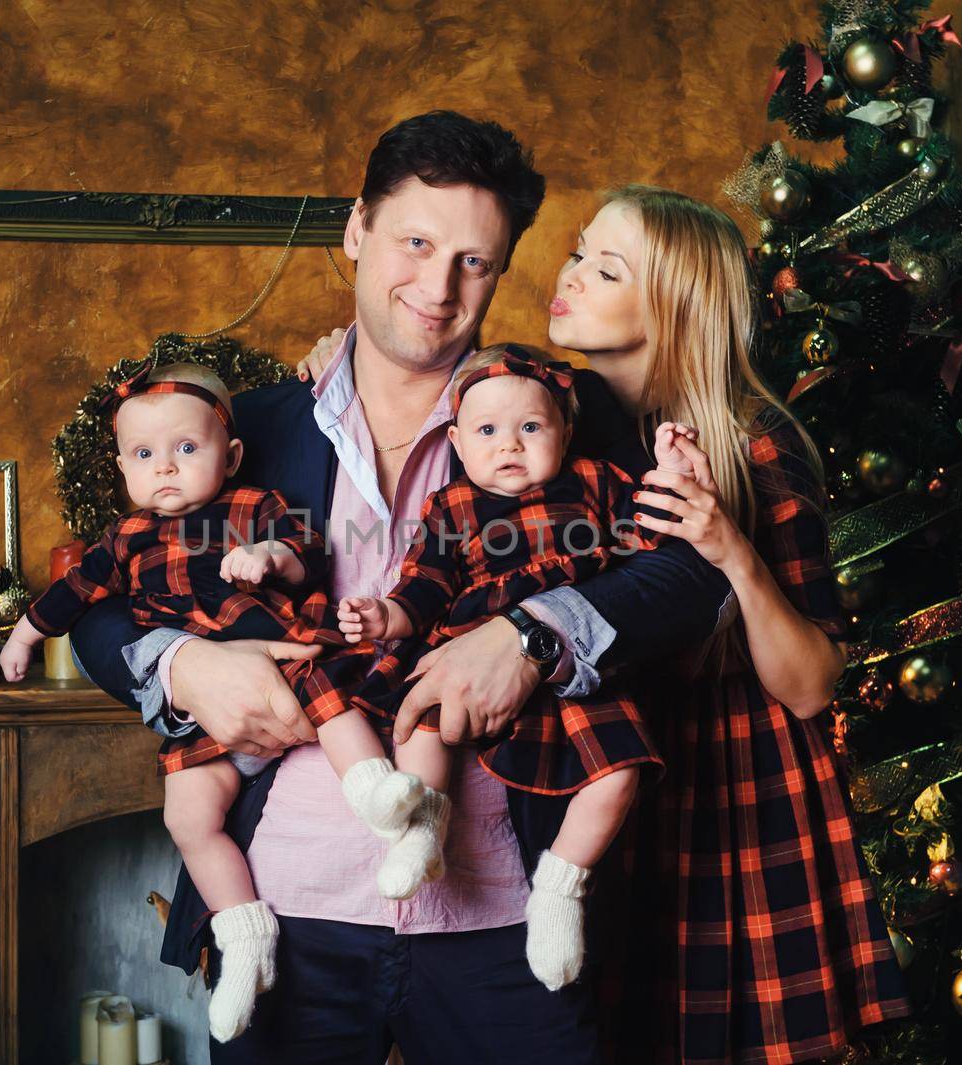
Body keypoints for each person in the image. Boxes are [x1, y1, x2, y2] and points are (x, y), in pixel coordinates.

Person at [70, 113, 733, 1063]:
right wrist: (181, 669)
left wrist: (532, 634)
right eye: (415, 243)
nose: (438, 286)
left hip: (508, 918)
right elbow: (101, 593)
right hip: (284, 911)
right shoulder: (240, 425)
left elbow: (687, 569)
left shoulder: (546, 418)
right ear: (355, 231)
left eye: (475, 260)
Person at [300, 185, 911, 1062]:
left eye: (606, 268)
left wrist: (730, 550)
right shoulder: (566, 428)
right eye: (580, 250)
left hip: (732, 779)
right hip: (604, 768)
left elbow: (816, 681)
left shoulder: (750, 439)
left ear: (672, 305)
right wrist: (338, 357)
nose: (569, 274)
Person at [0, 361, 431, 1042]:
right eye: (144, 455)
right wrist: (25, 633)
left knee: (335, 708)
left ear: (228, 457)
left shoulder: (250, 506)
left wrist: (266, 558)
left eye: (186, 449)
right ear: (121, 466)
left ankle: (385, 801)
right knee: (188, 815)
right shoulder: (124, 539)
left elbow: (306, 550)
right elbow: (74, 595)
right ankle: (243, 930)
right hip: (209, 714)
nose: (165, 468)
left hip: (282, 658)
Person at [335, 343, 690, 991]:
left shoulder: (591, 481)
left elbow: (653, 537)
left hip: (569, 662)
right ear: (458, 442)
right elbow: (426, 585)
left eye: (531, 427)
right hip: (467, 644)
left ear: (564, 431)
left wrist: (669, 471)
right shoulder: (450, 506)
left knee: (620, 774)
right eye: (488, 431)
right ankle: (422, 827)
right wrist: (388, 617)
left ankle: (559, 887)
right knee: (421, 721)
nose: (510, 446)